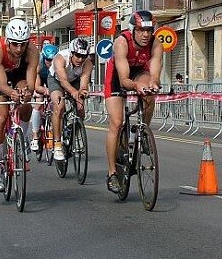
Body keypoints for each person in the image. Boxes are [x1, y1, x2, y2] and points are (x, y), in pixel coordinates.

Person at [104, 10, 163, 194]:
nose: (146, 35)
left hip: (140, 71)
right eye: (141, 30)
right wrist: (135, 86)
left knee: (150, 93)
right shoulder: (121, 42)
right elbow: (124, 80)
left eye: (149, 30)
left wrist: (152, 84)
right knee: (117, 122)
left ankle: (144, 130)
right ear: (133, 30)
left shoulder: (155, 43)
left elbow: (154, 74)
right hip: (118, 77)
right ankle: (112, 172)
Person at [0, 18, 39, 191]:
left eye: (23, 44)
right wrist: (11, 93)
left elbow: (30, 83)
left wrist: (26, 93)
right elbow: (2, 85)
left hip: (19, 75)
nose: (19, 49)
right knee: (1, 116)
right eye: (15, 44)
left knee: (27, 102)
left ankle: (23, 138)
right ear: (8, 41)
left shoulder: (32, 51)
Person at [48, 38, 93, 161]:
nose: (80, 59)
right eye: (77, 55)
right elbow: (62, 80)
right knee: (59, 105)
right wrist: (73, 92)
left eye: (83, 56)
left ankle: (72, 133)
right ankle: (57, 145)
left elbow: (84, 81)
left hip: (75, 80)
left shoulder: (87, 63)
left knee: (80, 108)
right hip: (56, 80)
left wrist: (82, 92)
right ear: (72, 53)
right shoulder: (61, 58)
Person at [30, 44, 58, 152]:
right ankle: (35, 136)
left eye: (53, 60)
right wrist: (44, 90)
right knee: (39, 102)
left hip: (53, 79)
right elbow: (37, 86)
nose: (50, 63)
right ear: (44, 58)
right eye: (48, 60)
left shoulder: (59, 64)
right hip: (40, 79)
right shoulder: (39, 64)